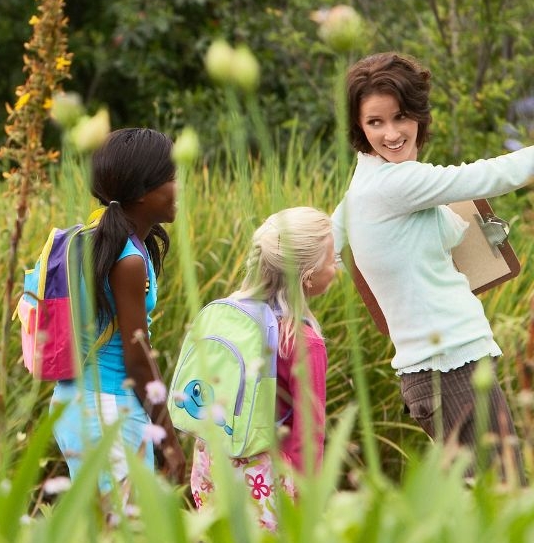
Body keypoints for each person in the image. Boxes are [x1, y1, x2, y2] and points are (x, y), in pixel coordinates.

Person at [333, 51, 528, 482]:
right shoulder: (394, 184)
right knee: (507, 501)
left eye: (400, 116)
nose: (391, 133)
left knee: (492, 506)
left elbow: (329, 242)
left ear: (418, 114)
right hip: (449, 367)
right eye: (375, 122)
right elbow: (492, 175)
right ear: (359, 128)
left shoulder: (367, 181)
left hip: (444, 367)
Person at [51, 127, 187, 499]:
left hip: (74, 403)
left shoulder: (92, 237)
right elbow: (137, 360)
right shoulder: (127, 259)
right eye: (173, 177)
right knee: (126, 526)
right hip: (107, 408)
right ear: (143, 192)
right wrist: (170, 443)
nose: (181, 185)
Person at [190, 206, 336, 530]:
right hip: (266, 481)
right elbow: (308, 436)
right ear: (308, 277)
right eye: (332, 259)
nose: (336, 266)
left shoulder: (230, 317)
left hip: (212, 464)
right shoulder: (302, 342)